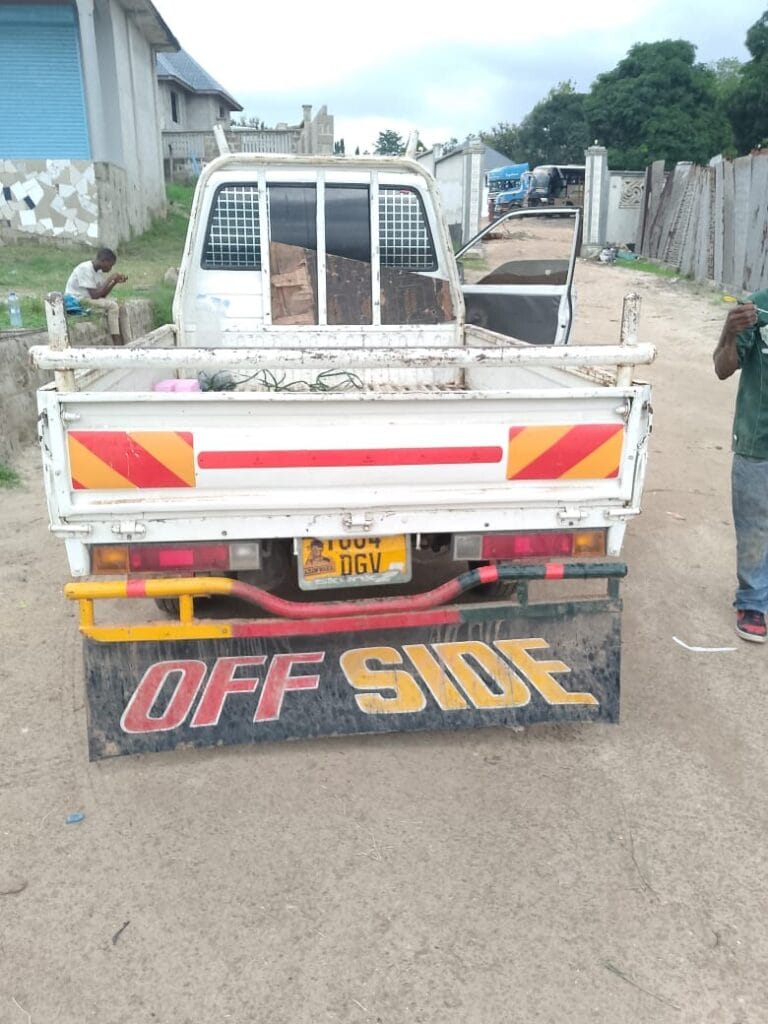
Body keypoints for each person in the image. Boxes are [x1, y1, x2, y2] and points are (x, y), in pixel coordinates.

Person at [713, 297, 768, 642]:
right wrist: (731, 332)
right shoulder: (757, 308)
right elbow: (722, 368)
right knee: (755, 528)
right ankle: (752, 601)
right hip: (757, 440)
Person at [65, 248, 127, 345]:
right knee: (113, 306)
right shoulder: (85, 268)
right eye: (110, 265)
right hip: (77, 300)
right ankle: (116, 340)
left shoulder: (98, 272)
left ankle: (121, 337)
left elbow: (102, 294)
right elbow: (95, 295)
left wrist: (114, 282)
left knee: (118, 303)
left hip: (87, 298)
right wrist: (110, 278)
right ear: (103, 261)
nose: (110, 268)